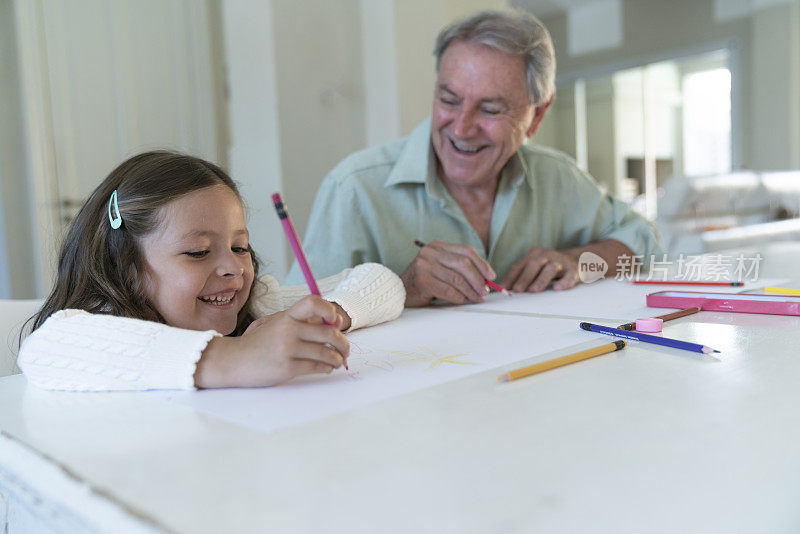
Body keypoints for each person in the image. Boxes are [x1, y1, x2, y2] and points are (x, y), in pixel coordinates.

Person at [291, 10, 662, 307]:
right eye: (449, 100)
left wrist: (580, 263)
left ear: (538, 116)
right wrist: (404, 289)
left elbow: (645, 242)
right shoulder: (356, 189)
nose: (462, 128)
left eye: (490, 109)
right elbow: (294, 313)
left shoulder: (557, 178)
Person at [18, 151, 405, 391]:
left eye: (240, 247)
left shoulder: (257, 306)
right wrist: (239, 356)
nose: (234, 268)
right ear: (128, 268)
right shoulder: (100, 325)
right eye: (198, 252)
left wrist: (332, 314)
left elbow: (380, 281)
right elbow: (45, 347)